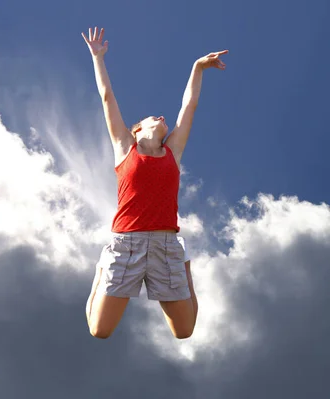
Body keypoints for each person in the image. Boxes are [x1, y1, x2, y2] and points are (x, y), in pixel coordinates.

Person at [82, 26, 227, 339]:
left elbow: (189, 106)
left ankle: (183, 266)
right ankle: (103, 266)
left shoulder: (172, 151)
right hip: (126, 244)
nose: (162, 116)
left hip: (166, 245)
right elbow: (107, 97)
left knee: (184, 331)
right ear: (137, 130)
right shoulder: (124, 148)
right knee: (99, 330)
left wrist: (197, 67)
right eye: (153, 117)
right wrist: (98, 58)